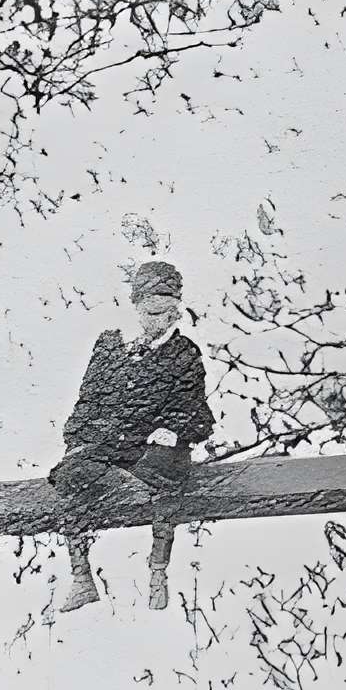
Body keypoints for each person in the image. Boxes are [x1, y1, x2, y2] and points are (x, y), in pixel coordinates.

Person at [50, 259, 214, 615]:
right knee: (71, 473)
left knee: (163, 469)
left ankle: (157, 573)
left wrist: (174, 430)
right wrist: (78, 440)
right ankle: (82, 579)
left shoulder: (185, 354)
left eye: (171, 313)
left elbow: (196, 413)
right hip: (110, 448)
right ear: (137, 306)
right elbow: (88, 401)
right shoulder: (111, 346)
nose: (163, 321)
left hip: (155, 451)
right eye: (154, 312)